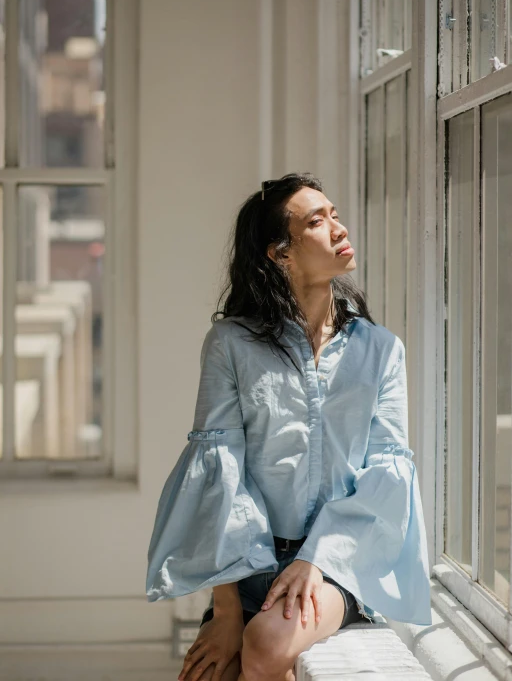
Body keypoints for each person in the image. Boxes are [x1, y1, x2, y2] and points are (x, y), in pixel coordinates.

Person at [146, 172, 432, 681]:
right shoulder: (230, 344)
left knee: (269, 641)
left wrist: (318, 558)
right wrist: (228, 609)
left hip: (336, 571)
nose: (338, 228)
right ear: (281, 253)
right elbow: (221, 475)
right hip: (245, 567)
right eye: (317, 221)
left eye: (335, 215)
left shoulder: (382, 350)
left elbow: (385, 479)